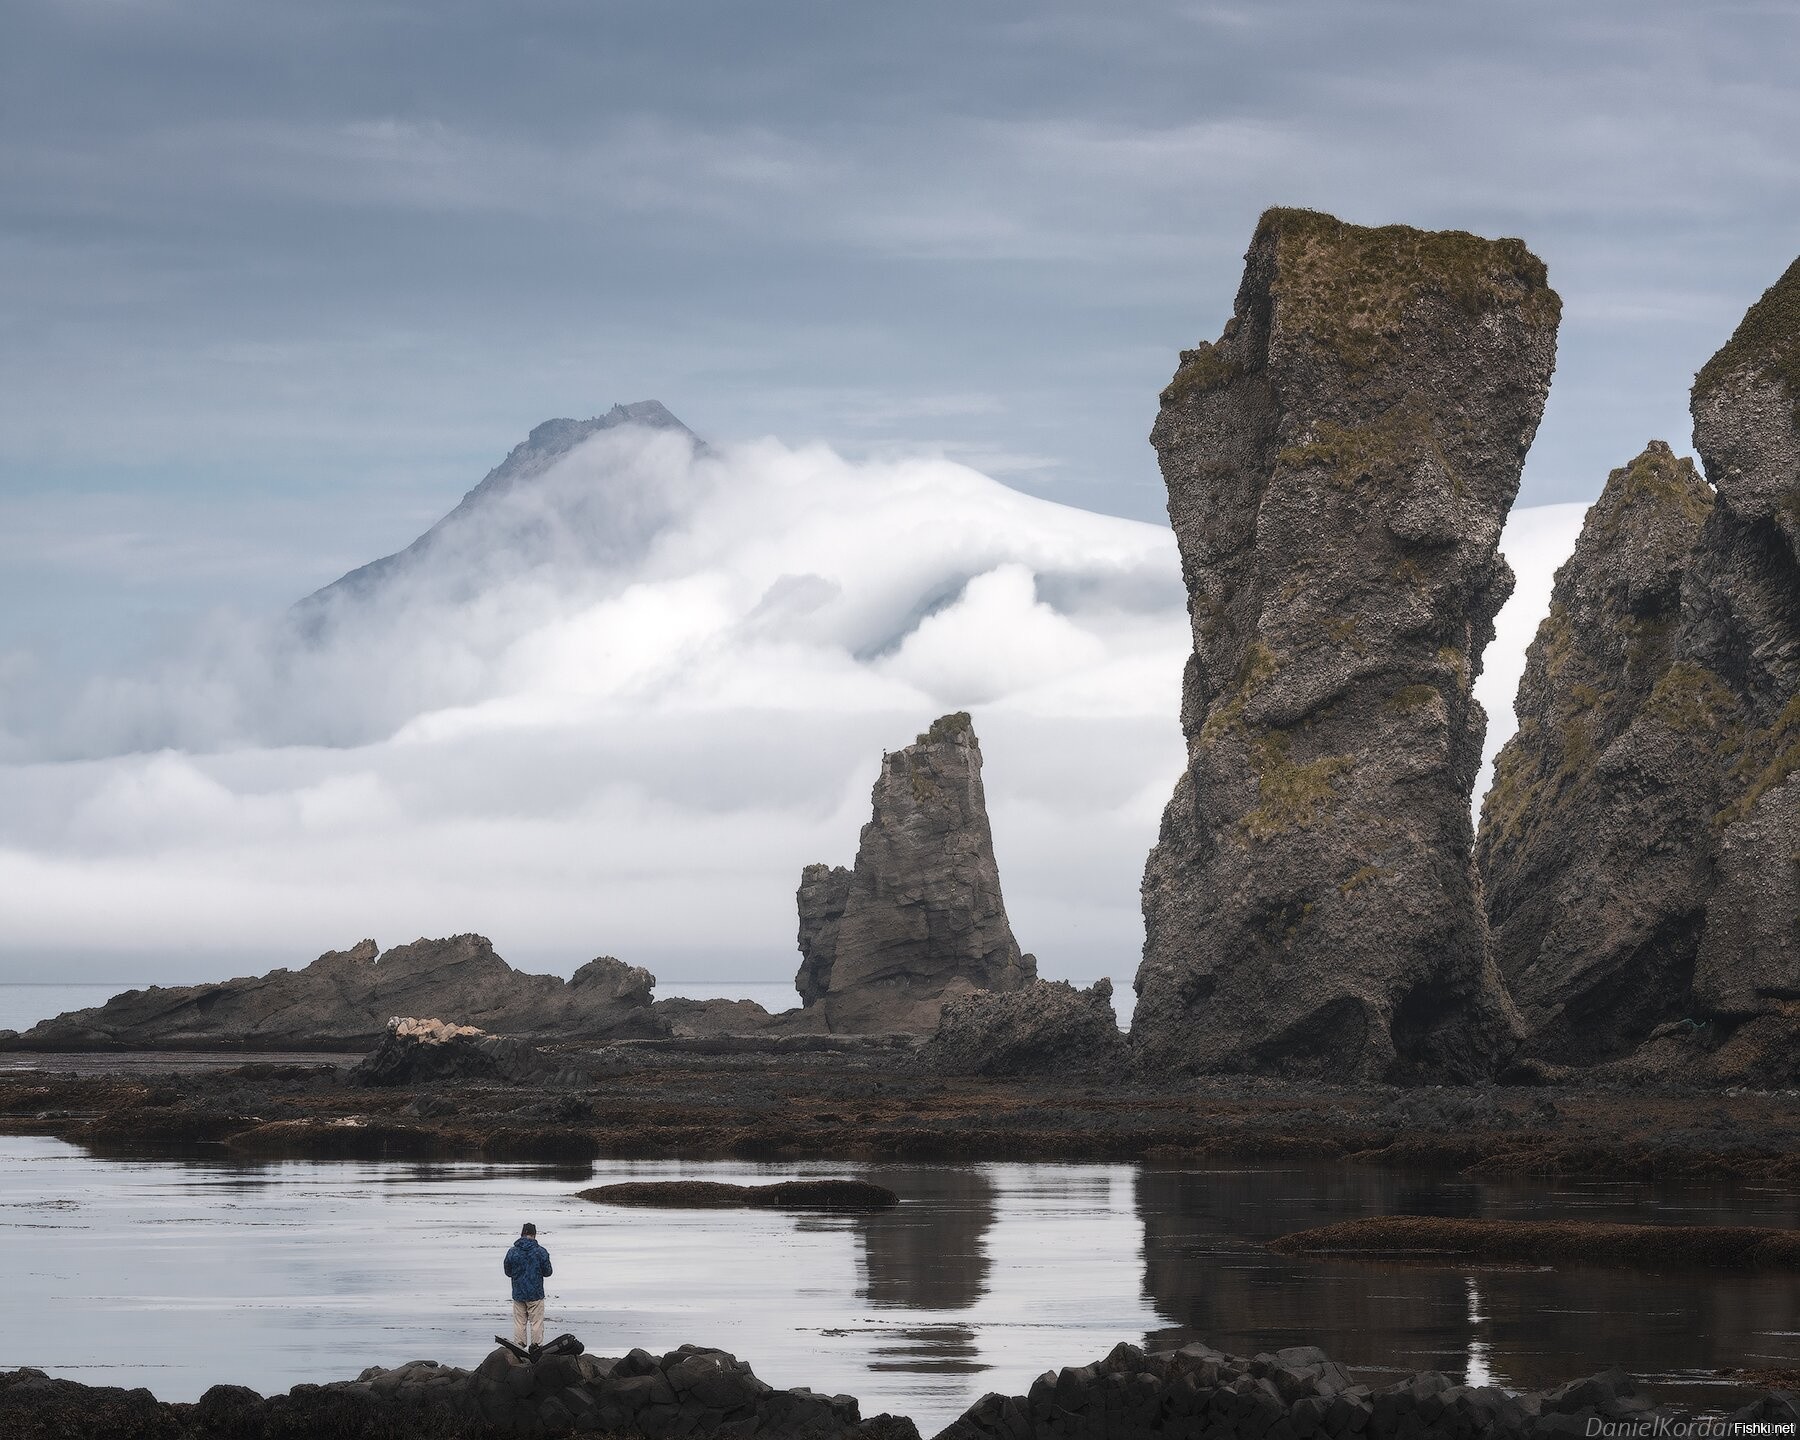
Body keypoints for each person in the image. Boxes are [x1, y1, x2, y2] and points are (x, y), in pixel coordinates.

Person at [503, 1222, 553, 1348]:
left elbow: (507, 1272)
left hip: (518, 1292)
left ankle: (519, 1345)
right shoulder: (541, 1252)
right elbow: (548, 1272)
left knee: (519, 1322)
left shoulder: (512, 1252)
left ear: (522, 1233)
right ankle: (536, 1346)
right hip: (535, 1293)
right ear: (534, 1234)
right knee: (536, 1323)